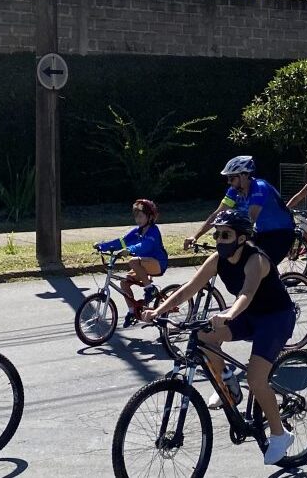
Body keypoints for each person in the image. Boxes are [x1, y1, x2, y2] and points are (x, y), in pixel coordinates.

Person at [145, 210, 296, 465]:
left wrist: (228, 314)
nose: (218, 240)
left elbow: (246, 293)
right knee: (203, 336)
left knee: (256, 379)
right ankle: (229, 384)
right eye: (217, 235)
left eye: (225, 235)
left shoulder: (256, 260)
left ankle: (280, 434)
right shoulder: (217, 259)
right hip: (248, 315)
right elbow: (188, 289)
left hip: (275, 318)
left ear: (241, 238)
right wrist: (158, 311)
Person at [185, 155, 296, 266]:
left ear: (245, 175)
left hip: (281, 233)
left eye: (232, 178)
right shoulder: (233, 191)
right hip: (261, 233)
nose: (229, 182)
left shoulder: (259, 188)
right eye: (228, 178)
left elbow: (250, 220)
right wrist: (195, 236)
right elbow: (217, 214)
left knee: (261, 267)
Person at [94, 199, 168, 328]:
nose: (137, 219)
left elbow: (145, 245)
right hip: (143, 264)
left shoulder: (153, 231)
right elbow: (121, 241)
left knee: (133, 261)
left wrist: (129, 250)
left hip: (158, 263)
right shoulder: (137, 231)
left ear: (150, 217)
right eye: (136, 217)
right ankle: (132, 312)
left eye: (141, 216)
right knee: (124, 282)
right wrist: (102, 246)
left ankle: (150, 289)